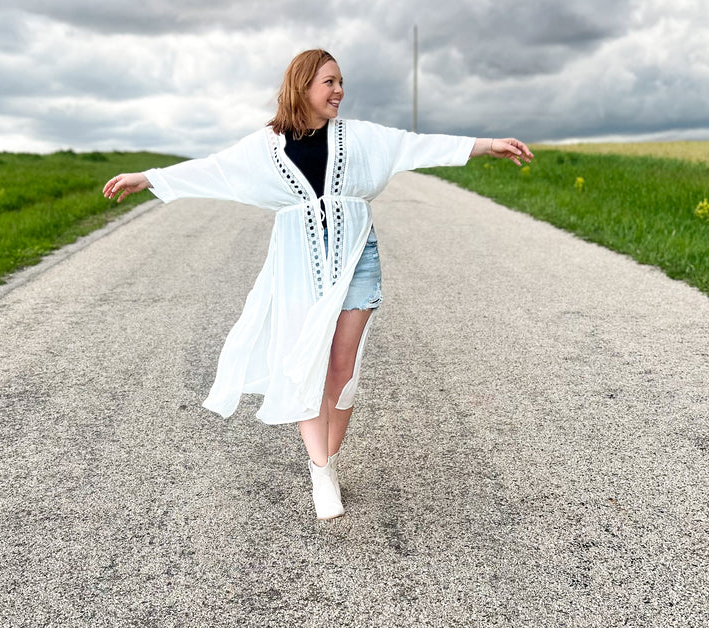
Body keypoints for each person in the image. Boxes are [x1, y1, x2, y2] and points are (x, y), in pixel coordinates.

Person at [103, 49, 533, 521]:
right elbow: (215, 169)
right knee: (305, 362)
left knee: (341, 372)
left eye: (341, 82)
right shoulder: (265, 146)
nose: (339, 91)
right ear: (303, 85)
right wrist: (148, 177)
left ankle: (328, 455)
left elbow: (416, 144)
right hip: (298, 264)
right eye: (329, 82)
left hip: (356, 258)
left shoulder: (360, 137)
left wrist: (489, 144)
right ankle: (321, 470)